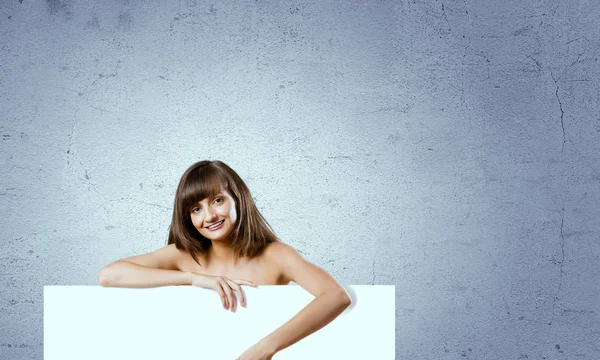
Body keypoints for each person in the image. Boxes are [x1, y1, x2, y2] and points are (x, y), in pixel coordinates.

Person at [98, 160, 352, 360]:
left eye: (217, 201)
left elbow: (336, 296)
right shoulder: (183, 256)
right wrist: (194, 279)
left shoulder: (275, 256)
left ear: (237, 198)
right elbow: (109, 275)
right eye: (196, 209)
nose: (209, 216)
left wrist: (265, 348)